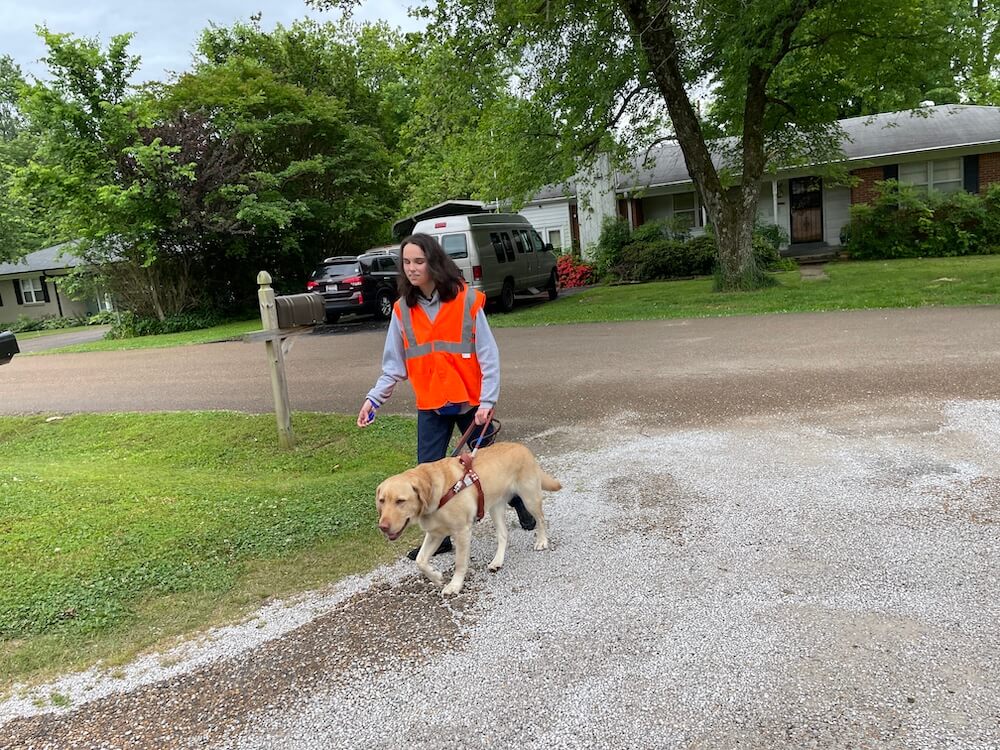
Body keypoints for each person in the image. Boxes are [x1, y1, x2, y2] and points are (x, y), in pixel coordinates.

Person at [357, 233, 535, 558]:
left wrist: (488, 400)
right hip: (432, 406)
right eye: (407, 262)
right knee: (426, 476)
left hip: (471, 403)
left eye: (419, 262)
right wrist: (373, 400)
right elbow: (393, 366)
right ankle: (445, 535)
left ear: (434, 263)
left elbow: (488, 354)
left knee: (491, 466)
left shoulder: (466, 300)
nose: (412, 268)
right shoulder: (402, 311)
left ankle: (521, 505)